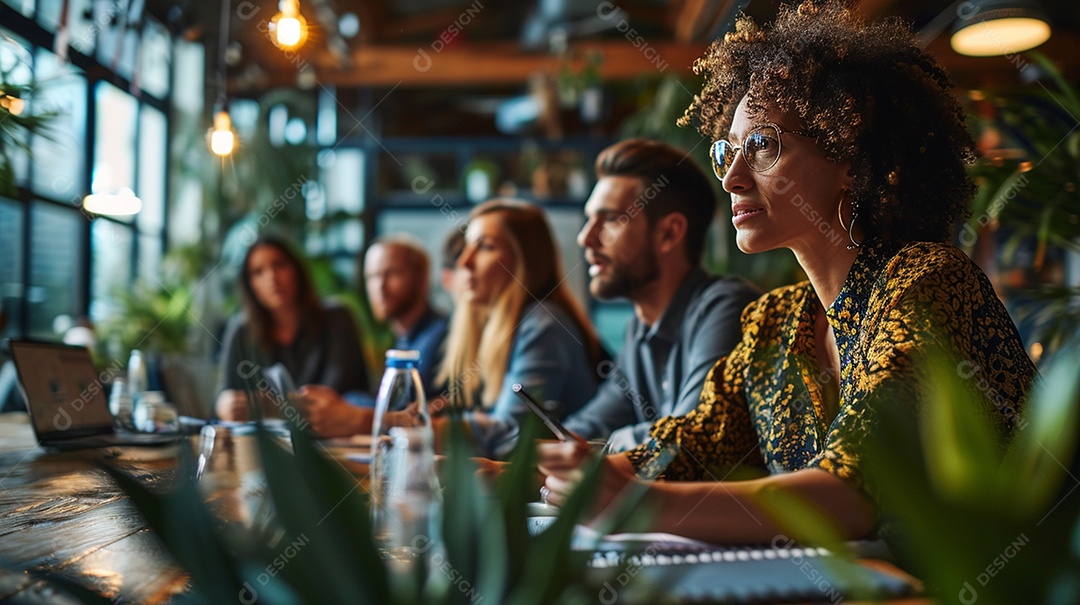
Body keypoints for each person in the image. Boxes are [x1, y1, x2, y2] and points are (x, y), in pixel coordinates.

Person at [539, 1, 1036, 544]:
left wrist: (636, 504)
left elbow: (852, 495)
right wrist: (517, 474)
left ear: (851, 160)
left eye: (761, 146)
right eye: (727, 151)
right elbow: (689, 448)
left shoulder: (926, 281)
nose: (731, 177)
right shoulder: (774, 322)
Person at [562, 138, 761, 452]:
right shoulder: (640, 331)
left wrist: (599, 446)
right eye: (589, 219)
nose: (586, 238)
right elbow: (588, 426)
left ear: (669, 233)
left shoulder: (727, 308)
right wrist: (524, 459)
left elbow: (688, 440)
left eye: (610, 219)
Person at [436, 199, 606, 458]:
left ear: (525, 261)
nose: (464, 262)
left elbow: (510, 435)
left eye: (485, 246)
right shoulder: (501, 325)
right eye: (467, 246)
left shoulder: (544, 325)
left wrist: (413, 428)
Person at [216, 235, 369, 421]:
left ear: (297, 270)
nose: (272, 277)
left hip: (335, 436)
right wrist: (225, 404)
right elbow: (226, 394)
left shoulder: (337, 319)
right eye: (258, 272)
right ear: (250, 285)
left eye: (279, 265)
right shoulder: (241, 331)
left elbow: (335, 395)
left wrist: (268, 407)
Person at [363, 236, 449, 396]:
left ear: (422, 279)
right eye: (372, 276)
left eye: (392, 273)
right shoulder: (402, 340)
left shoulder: (442, 337)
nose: (380, 286)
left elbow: (408, 405)